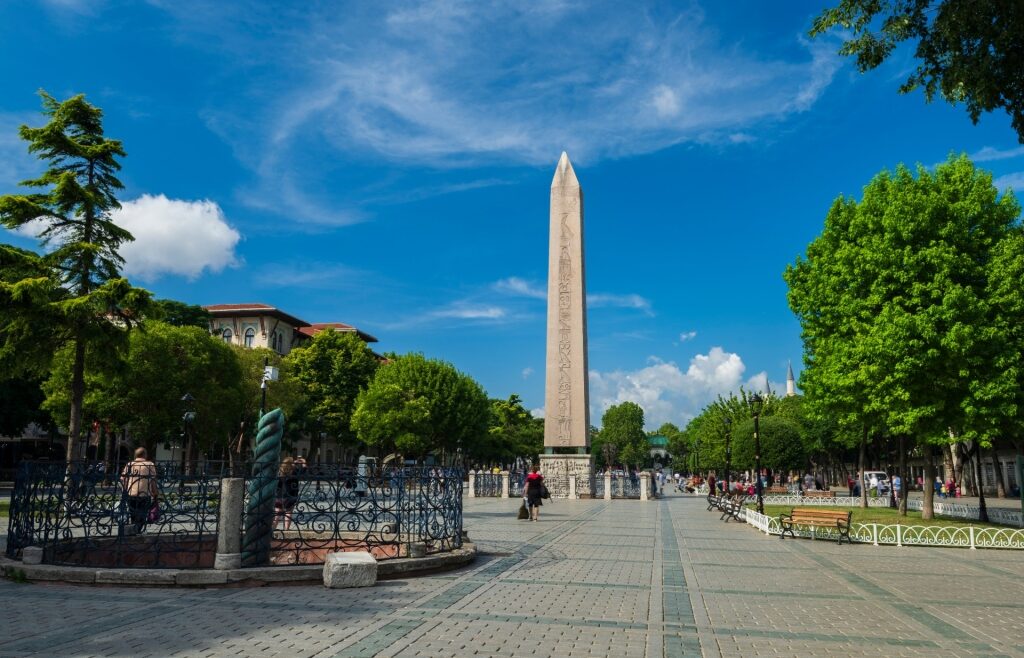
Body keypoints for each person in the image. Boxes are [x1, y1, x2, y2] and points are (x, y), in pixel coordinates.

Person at [121, 447, 158, 535]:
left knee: (133, 514)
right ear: (145, 455)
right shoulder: (149, 464)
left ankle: (133, 530)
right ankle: (138, 530)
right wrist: (155, 492)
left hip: (131, 493)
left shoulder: (130, 464)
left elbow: (123, 479)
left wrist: (124, 490)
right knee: (142, 514)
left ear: (136, 455)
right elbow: (153, 480)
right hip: (145, 493)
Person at [275, 457, 300, 530]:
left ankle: (273, 529)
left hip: (280, 495)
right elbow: (303, 472)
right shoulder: (293, 472)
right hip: (290, 495)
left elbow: (277, 484)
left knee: (277, 514)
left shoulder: (280, 471)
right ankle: (286, 530)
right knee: (288, 513)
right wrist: (303, 463)